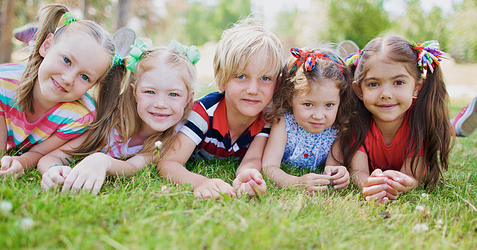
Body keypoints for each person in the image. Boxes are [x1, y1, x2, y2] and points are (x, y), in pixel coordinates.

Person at [0, 4, 119, 181]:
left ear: (93, 85)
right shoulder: (0, 83)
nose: (68, 78)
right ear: (46, 45)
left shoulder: (79, 116)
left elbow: (38, 153)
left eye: (84, 76)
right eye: (67, 60)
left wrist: (20, 162)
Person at [39, 39, 199, 194]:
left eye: (173, 94)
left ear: (188, 98)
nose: (161, 104)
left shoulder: (176, 134)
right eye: (150, 92)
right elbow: (52, 157)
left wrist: (102, 161)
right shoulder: (107, 121)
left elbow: (132, 167)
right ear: (134, 92)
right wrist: (53, 171)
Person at [158, 19, 284, 199]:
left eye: (265, 78)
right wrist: (200, 183)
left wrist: (247, 176)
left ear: (276, 84)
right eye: (241, 76)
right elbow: (169, 162)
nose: (253, 90)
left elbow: (252, 159)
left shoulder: (267, 118)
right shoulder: (203, 113)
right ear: (222, 80)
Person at [336, 37, 453, 203]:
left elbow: (412, 176)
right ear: (359, 90)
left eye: (398, 82)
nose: (386, 94)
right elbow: (358, 171)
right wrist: (369, 185)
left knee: (448, 128)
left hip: (429, 123)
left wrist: (402, 183)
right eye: (373, 84)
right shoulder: (357, 121)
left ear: (417, 87)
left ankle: (457, 126)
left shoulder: (420, 123)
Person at [262, 46, 353, 191]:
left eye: (329, 105)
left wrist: (338, 174)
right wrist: (295, 182)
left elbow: (333, 166)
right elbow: (269, 167)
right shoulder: (284, 122)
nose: (318, 116)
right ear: (290, 98)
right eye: (308, 104)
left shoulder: (337, 127)